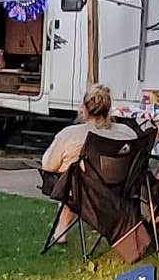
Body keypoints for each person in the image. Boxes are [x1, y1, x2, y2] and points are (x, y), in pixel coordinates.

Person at [41, 83, 140, 242]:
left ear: (85, 109)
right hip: (120, 190)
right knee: (74, 177)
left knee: (69, 178)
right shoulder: (127, 132)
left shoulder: (69, 135)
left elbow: (48, 165)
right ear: (108, 109)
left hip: (84, 194)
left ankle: (61, 231)